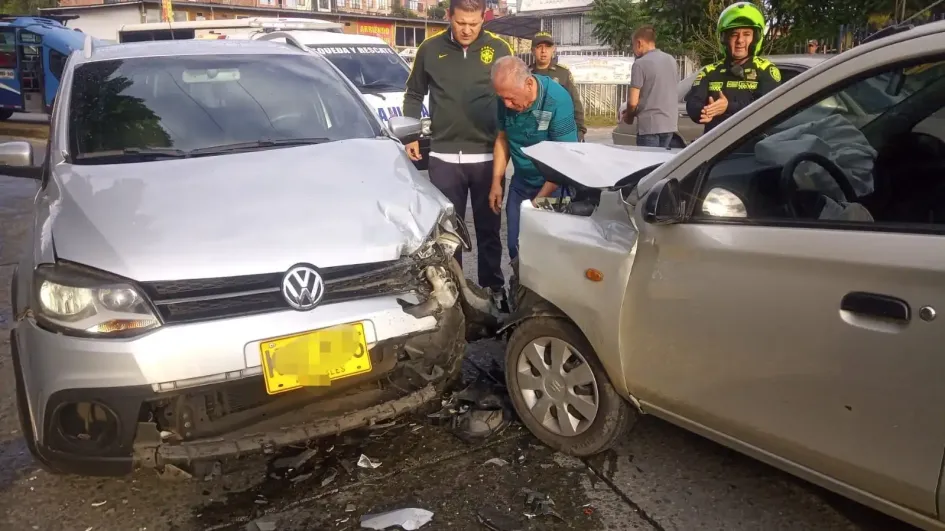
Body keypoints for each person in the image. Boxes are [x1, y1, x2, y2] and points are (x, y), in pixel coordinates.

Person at [402, 0, 513, 307]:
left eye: (474, 24)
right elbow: (413, 93)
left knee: (489, 229)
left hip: (487, 157)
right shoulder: (429, 49)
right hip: (444, 158)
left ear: (484, 19)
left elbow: (511, 96)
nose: (467, 30)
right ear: (449, 16)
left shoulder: (500, 48)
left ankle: (494, 288)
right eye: (461, 22)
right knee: (448, 234)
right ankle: (455, 293)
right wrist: (410, 133)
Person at [489, 56, 579, 262]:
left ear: (529, 84)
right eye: (502, 98)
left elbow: (565, 157)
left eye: (511, 98)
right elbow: (502, 139)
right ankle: (519, 290)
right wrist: (496, 182)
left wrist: (537, 201)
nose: (507, 104)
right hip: (522, 182)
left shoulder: (556, 100)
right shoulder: (505, 97)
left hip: (554, 185)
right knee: (515, 246)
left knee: (548, 251)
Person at [684, 2, 781, 134]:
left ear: (756, 38)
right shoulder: (710, 71)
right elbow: (693, 102)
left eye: (746, 34)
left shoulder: (766, 69)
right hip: (714, 148)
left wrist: (728, 107)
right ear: (724, 39)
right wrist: (704, 111)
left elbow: (769, 108)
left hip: (752, 148)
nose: (740, 40)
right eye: (734, 35)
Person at [621, 24, 679, 148]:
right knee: (663, 164)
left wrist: (629, 116)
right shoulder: (672, 60)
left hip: (649, 127)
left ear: (639, 43)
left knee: (647, 164)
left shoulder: (640, 64)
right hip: (670, 125)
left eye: (633, 45)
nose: (633, 49)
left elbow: (632, 102)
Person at [528, 31, 586, 142]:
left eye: (547, 47)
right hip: (533, 131)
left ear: (553, 49)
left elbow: (575, 102)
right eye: (539, 47)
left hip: (559, 129)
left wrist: (580, 129)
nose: (544, 51)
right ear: (532, 51)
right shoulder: (526, 74)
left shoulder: (563, 73)